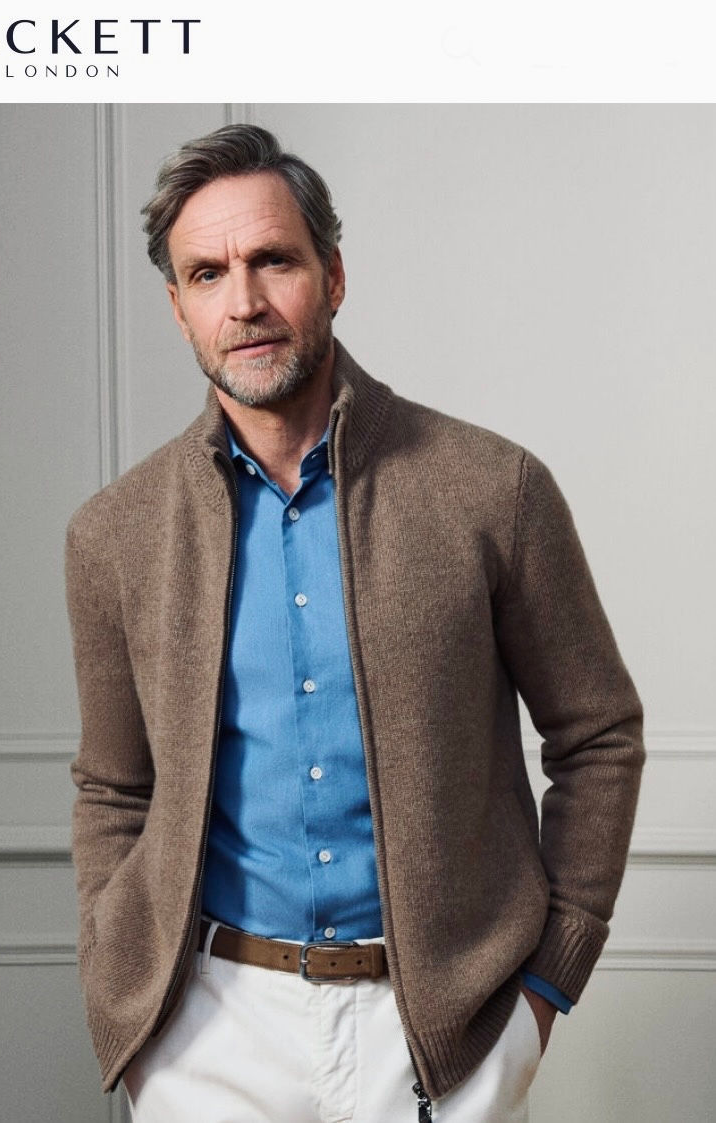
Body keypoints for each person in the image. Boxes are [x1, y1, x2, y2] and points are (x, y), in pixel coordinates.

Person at [64, 124, 644, 1122]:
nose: (243, 301)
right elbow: (114, 787)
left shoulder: (491, 489)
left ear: (332, 274)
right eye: (207, 274)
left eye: (273, 260)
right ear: (178, 307)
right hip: (207, 1032)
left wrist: (545, 987)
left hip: (445, 1029)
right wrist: (121, 989)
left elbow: (598, 735)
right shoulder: (114, 534)